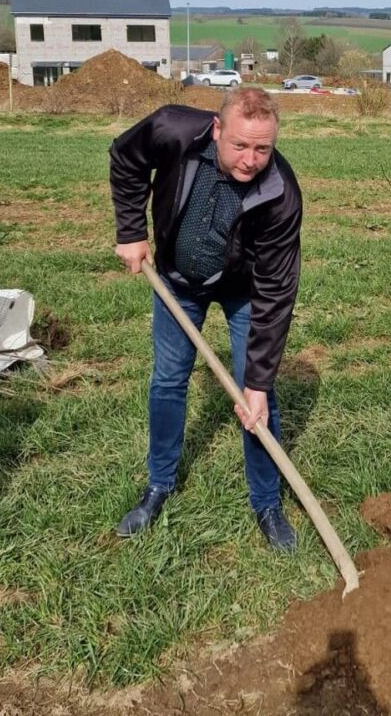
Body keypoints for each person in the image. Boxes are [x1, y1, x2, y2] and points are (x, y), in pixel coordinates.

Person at [109, 88, 302, 549]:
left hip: (244, 291)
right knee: (169, 380)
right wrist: (132, 232)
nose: (251, 159)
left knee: (256, 397)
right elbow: (126, 157)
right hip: (177, 280)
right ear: (217, 130)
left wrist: (256, 382)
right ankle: (159, 484)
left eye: (262, 148)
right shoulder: (172, 128)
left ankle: (267, 502)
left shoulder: (280, 192)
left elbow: (277, 291)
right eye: (239, 145)